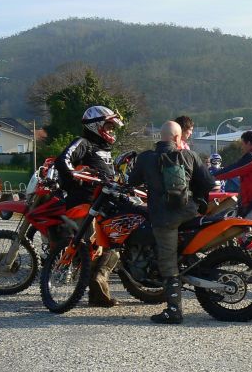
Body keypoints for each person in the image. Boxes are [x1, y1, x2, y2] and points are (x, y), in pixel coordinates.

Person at [129, 121, 215, 324]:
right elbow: (208, 183)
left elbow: (132, 182)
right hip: (189, 214)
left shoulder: (146, 158)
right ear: (178, 138)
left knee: (168, 263)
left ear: (160, 137)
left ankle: (174, 310)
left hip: (164, 218)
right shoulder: (190, 155)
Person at [55, 105, 124, 308]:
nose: (111, 131)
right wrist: (75, 176)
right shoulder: (83, 143)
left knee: (117, 243)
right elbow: (63, 160)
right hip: (83, 204)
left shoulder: (105, 150)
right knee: (94, 247)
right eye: (109, 127)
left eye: (113, 128)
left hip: (104, 204)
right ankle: (96, 293)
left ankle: (98, 285)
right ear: (96, 126)